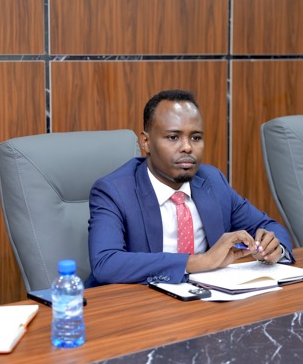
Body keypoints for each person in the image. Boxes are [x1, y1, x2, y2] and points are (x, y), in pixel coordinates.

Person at [86, 89, 295, 287]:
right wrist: (199, 261)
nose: (187, 147)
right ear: (146, 142)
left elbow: (268, 226)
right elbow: (106, 263)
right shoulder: (114, 191)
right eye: (173, 137)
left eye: (195, 138)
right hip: (140, 302)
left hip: (206, 298)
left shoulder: (212, 181)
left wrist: (273, 248)